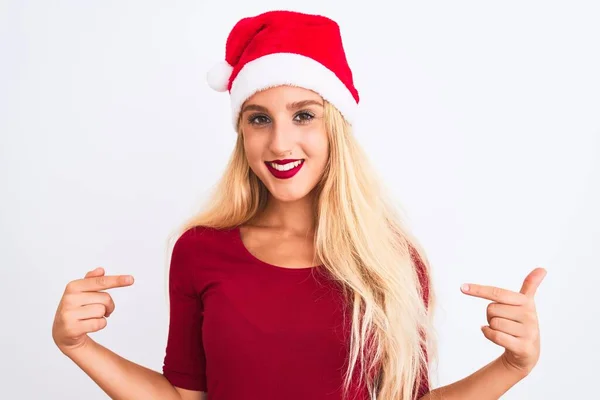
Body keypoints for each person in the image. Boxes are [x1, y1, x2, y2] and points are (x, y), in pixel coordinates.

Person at [52, 9, 546, 400]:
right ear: (240, 131)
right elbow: (186, 396)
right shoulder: (199, 251)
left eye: (303, 115)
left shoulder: (391, 261)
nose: (280, 143)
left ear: (335, 127)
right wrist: (78, 346)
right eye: (259, 119)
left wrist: (512, 366)